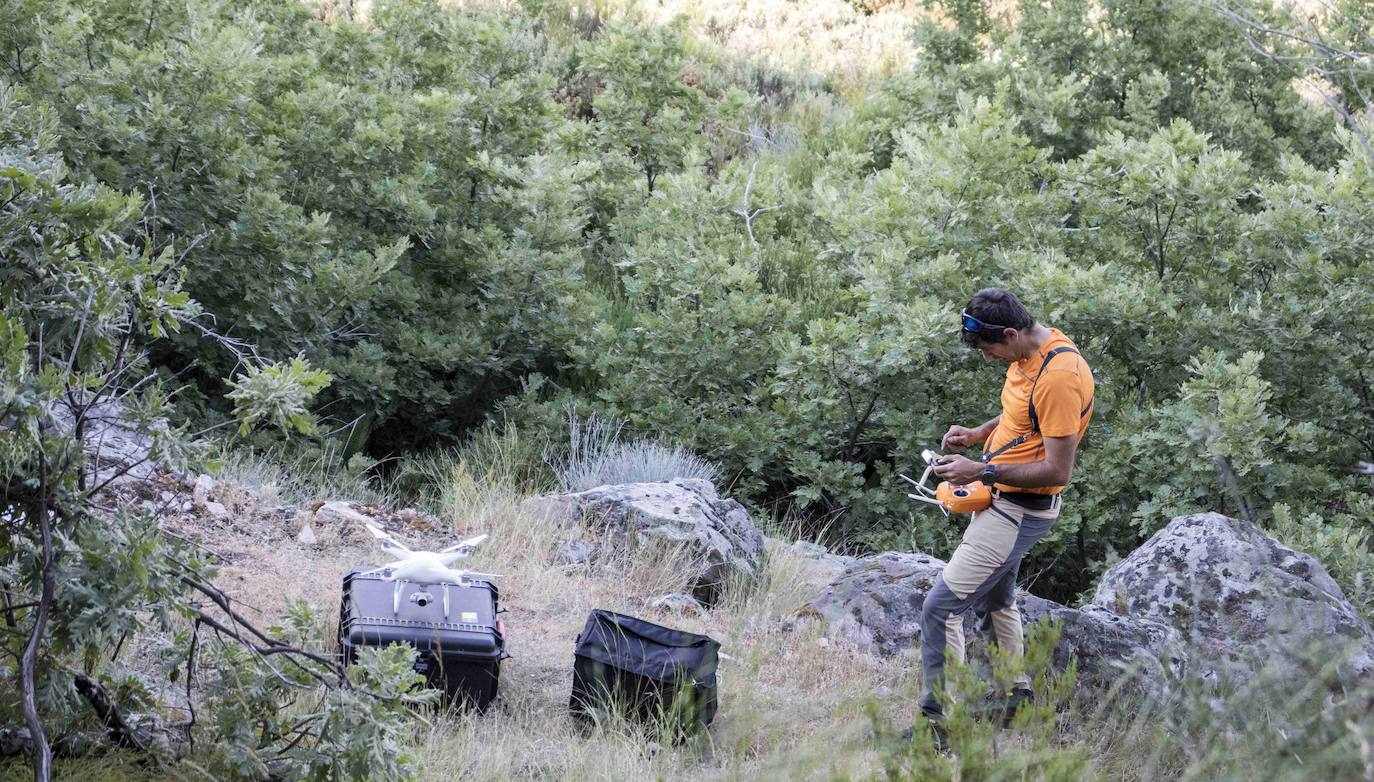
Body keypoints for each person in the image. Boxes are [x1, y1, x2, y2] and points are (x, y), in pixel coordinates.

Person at [916, 288, 1095, 752]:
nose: (985, 357)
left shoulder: (1059, 377)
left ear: (1012, 333)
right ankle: (1016, 697)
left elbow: (1058, 470)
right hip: (1007, 500)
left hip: (1017, 510)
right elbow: (1023, 416)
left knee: (940, 608)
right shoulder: (1032, 353)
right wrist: (978, 434)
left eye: (988, 348)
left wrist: (981, 469)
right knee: (996, 597)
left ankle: (939, 726)